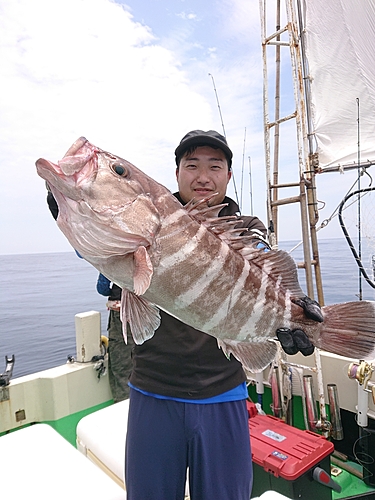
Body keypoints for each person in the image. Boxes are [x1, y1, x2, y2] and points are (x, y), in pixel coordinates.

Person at [125, 129, 292, 500]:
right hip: (153, 390)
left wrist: (294, 316)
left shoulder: (246, 228)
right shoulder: (146, 222)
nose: (203, 176)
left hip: (222, 392)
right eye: (192, 165)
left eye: (215, 166)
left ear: (228, 175)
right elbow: (104, 249)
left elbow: (264, 262)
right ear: (177, 173)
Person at [97, 273, 134, 402]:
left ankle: (124, 411)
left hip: (123, 315)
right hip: (149, 313)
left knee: (121, 367)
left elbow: (102, 288)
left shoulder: (115, 255)